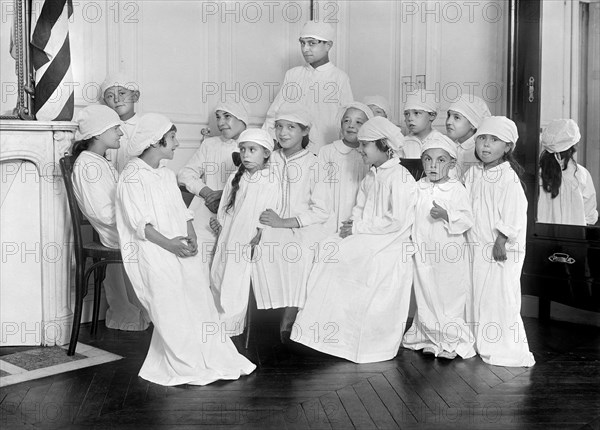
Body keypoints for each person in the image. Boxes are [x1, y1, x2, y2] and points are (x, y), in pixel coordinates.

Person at [116, 113, 256, 386]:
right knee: (170, 300)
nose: (177, 144)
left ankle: (210, 354)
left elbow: (184, 213)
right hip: (152, 247)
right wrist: (170, 245)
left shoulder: (167, 175)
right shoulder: (132, 176)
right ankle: (185, 360)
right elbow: (138, 225)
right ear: (156, 142)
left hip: (179, 244)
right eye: (172, 139)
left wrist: (190, 237)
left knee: (197, 295)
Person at [291, 116, 418, 363]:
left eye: (365, 145)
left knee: (354, 257)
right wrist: (351, 227)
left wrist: (358, 227)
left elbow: (397, 221)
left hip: (390, 239)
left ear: (383, 145)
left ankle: (354, 342)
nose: (360, 150)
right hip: (367, 232)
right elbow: (359, 208)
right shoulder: (371, 176)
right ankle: (320, 335)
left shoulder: (400, 177)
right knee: (329, 247)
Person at [253, 105, 330, 341]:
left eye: (291, 127)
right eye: (279, 126)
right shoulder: (268, 159)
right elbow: (253, 193)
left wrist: (285, 222)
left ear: (305, 131)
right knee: (262, 247)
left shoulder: (315, 164)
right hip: (267, 221)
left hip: (302, 225)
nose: (283, 133)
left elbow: (321, 210)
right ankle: (270, 308)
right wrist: (261, 225)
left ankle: (292, 309)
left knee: (302, 251)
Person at [71, 104, 149, 331]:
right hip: (114, 233)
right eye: (115, 128)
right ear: (97, 132)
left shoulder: (100, 162)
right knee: (165, 239)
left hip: (122, 226)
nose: (121, 133)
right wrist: (135, 217)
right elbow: (102, 213)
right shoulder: (87, 165)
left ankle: (155, 308)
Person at [465, 116, 535, 367]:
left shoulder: (508, 177)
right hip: (476, 244)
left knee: (499, 294)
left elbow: (515, 212)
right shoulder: (473, 174)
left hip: (499, 247)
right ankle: (477, 338)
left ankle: (502, 343)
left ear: (507, 147)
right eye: (482, 138)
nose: (485, 145)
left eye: (494, 140)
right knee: (477, 292)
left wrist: (501, 239)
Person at [401, 133, 476, 360]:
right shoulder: (418, 186)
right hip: (423, 252)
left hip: (448, 253)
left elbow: (466, 219)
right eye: (428, 159)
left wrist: (446, 214)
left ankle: (452, 342)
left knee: (448, 296)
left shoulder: (456, 188)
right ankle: (429, 338)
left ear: (452, 163)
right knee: (425, 294)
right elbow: (407, 214)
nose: (433, 165)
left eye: (441, 160)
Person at [210, 128, 280, 336]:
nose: (246, 155)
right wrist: (219, 223)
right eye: (243, 150)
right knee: (218, 271)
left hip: (247, 236)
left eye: (252, 150)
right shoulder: (235, 177)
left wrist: (261, 233)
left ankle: (229, 325)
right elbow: (224, 206)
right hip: (228, 233)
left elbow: (271, 209)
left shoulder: (270, 180)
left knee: (236, 278)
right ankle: (214, 316)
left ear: (266, 153)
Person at [263, 21, 354, 154]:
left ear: (328, 45)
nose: (305, 49)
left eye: (312, 43)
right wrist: (266, 143)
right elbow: (274, 113)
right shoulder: (293, 75)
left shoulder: (339, 78)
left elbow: (347, 119)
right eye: (302, 43)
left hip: (325, 152)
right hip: (292, 151)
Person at [178, 101, 249, 264]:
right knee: (195, 253)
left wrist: (224, 196)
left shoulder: (254, 146)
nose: (220, 123)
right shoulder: (210, 144)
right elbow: (185, 174)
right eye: (218, 117)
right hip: (206, 210)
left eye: (227, 116)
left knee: (232, 256)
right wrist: (207, 192)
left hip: (239, 213)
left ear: (242, 118)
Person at [317, 102, 373, 233]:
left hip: (359, 212)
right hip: (330, 211)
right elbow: (320, 188)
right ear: (341, 124)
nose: (351, 125)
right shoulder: (327, 151)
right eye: (346, 120)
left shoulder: (369, 155)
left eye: (359, 122)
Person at [537, 119, 598, 226]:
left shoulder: (538, 174)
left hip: (540, 237)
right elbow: (590, 216)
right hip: (575, 239)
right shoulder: (581, 175)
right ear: (574, 146)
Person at [99, 72, 141, 173]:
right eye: (110, 96)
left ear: (135, 96)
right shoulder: (102, 131)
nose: (117, 99)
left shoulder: (147, 127)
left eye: (122, 93)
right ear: (105, 102)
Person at [445, 94, 491, 180]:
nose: (448, 121)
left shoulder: (479, 152)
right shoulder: (448, 146)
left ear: (473, 124)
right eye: (448, 115)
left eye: (456, 117)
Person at [402, 89, 443, 158]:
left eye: (416, 113)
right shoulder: (402, 143)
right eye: (406, 114)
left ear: (432, 115)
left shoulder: (441, 141)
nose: (410, 118)